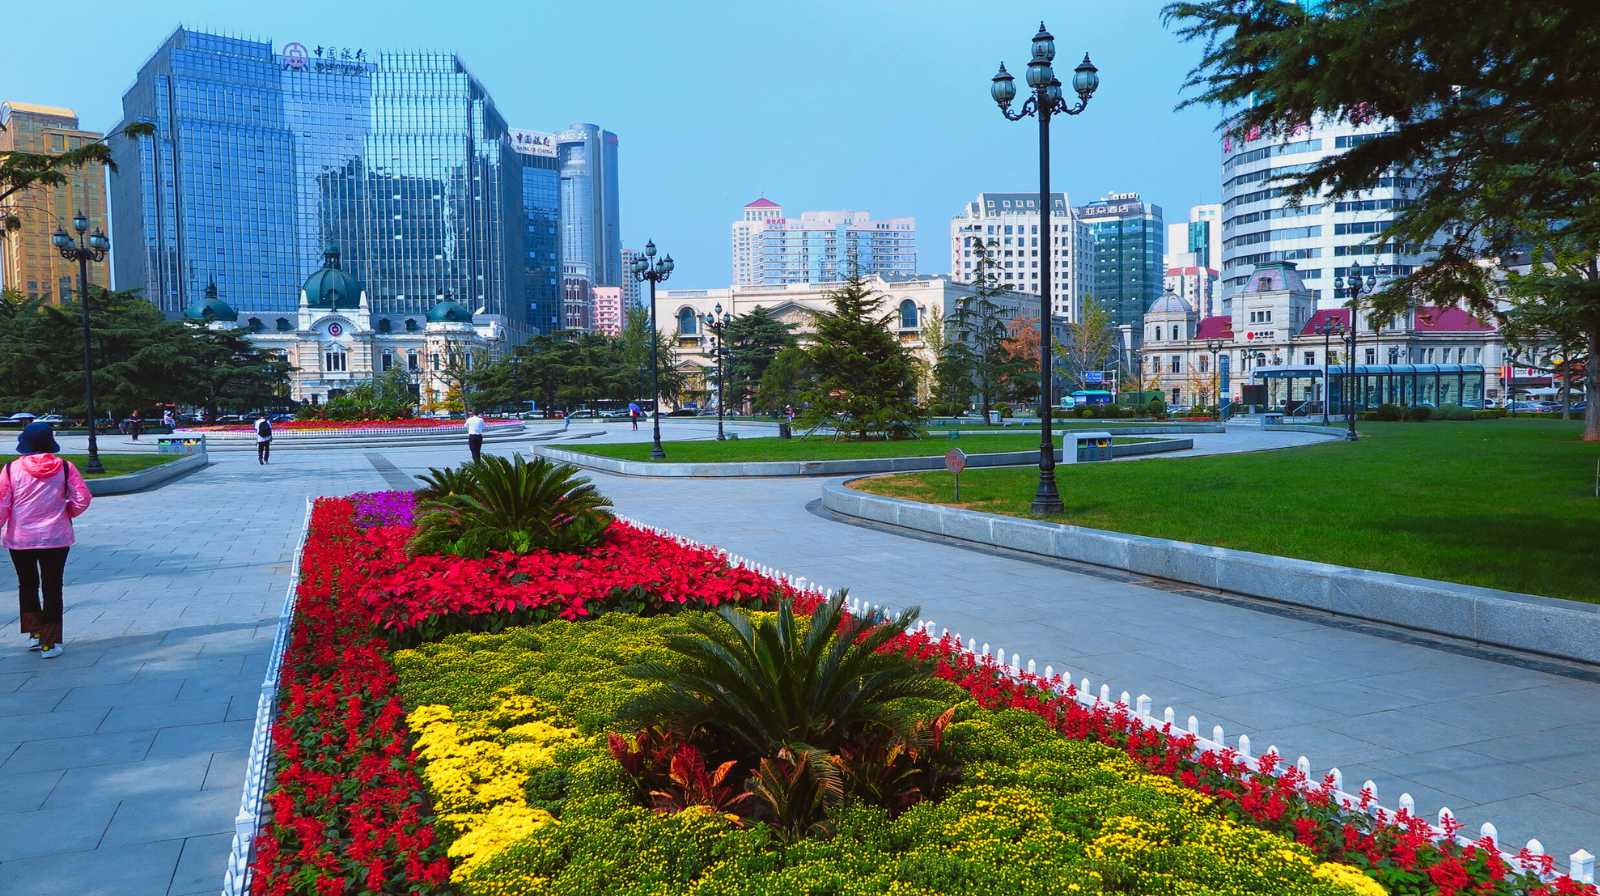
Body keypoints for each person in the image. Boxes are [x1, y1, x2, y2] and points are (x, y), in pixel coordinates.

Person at [0, 423, 91, 658]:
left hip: (21, 539)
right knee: (52, 588)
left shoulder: (11, 469)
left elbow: (2, 504)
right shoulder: (65, 467)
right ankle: (50, 644)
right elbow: (82, 498)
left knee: (27, 585)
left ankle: (35, 633)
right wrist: (67, 512)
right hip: (56, 537)